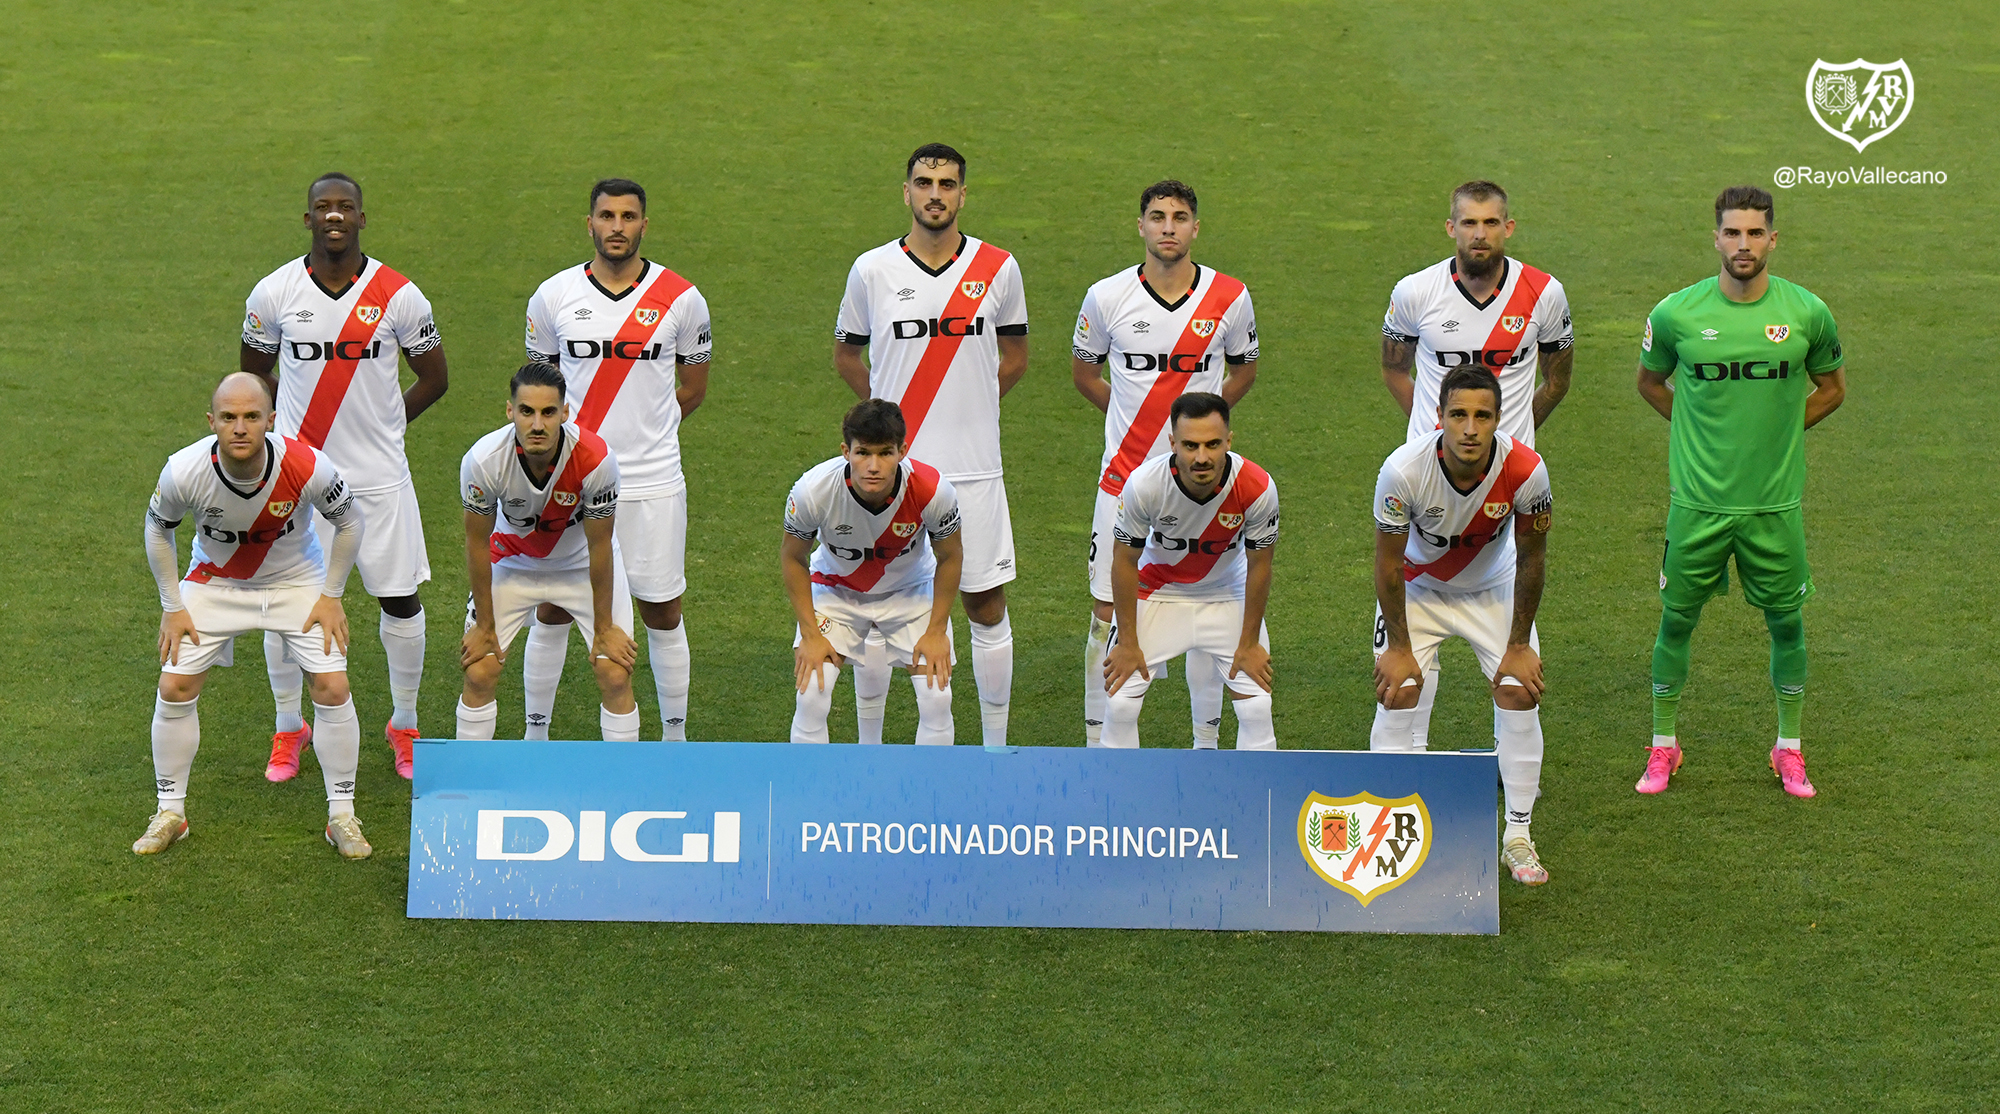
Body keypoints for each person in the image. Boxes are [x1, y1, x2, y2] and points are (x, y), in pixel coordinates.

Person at [1633, 186, 1845, 798]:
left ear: (1772, 239)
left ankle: (1789, 748)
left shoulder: (1807, 313)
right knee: (1676, 623)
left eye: (1755, 233)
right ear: (1716, 238)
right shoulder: (1676, 313)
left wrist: (1778, 433)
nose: (1743, 244)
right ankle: (1664, 747)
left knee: (1787, 625)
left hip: (1774, 506)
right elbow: (1650, 382)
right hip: (1697, 504)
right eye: (1733, 233)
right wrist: (1697, 431)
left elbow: (1831, 388)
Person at [242, 172, 448, 781]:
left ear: (363, 217)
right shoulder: (273, 294)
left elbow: (435, 378)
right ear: (307, 218)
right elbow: (254, 384)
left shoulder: (398, 294)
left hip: (380, 478)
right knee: (287, 606)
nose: (335, 216)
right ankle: (288, 728)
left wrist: (390, 427)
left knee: (400, 598)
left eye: (346, 207)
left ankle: (404, 724)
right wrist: (284, 440)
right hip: (300, 481)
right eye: (322, 207)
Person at [834, 142, 1028, 747]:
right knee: (877, 603)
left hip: (974, 469)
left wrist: (973, 403)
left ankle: (994, 747)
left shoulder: (999, 268)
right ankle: (872, 746)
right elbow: (847, 353)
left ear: (963, 194)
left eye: (947, 184)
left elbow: (1015, 357)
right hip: (895, 476)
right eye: (924, 182)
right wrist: (885, 420)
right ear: (907, 192)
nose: (935, 193)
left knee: (985, 603)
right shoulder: (872, 269)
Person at [135, 373, 372, 858]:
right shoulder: (183, 470)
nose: (239, 428)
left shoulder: (307, 465)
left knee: (333, 686)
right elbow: (158, 530)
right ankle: (170, 813)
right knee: (173, 686)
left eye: (250, 417)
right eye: (228, 418)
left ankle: (342, 818)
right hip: (213, 584)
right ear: (212, 422)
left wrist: (331, 595)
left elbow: (349, 522)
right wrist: (171, 606)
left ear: (270, 420)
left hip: (297, 584)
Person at [1378, 180, 1572, 752]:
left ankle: (1517, 830)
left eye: (1491, 223)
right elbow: (1395, 368)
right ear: (1451, 228)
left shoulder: (1544, 293)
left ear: (1508, 228)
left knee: (1516, 681)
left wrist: (1515, 439)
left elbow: (1557, 379)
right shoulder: (1415, 292)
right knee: (1407, 680)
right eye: (1469, 223)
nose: (1480, 233)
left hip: (1505, 488)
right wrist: (1429, 436)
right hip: (1432, 483)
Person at [520, 178, 712, 741]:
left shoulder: (681, 298)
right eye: (607, 216)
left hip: (652, 483)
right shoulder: (553, 297)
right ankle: (537, 738)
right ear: (590, 223)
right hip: (569, 485)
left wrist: (646, 436)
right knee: (552, 608)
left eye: (629, 217)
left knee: (662, 610)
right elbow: (541, 390)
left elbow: (692, 389)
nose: (617, 227)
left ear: (644, 225)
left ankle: (674, 740)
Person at [1073, 179, 1259, 748]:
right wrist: (1133, 426)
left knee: (1205, 598)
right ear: (1141, 226)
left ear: (1195, 227)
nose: (1169, 227)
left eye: (1180, 217)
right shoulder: (1105, 297)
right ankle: (1096, 739)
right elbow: (1086, 376)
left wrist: (1197, 435)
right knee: (1107, 611)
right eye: (1157, 217)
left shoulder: (1230, 296)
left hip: (1202, 485)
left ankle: (1205, 741)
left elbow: (1244, 371)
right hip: (1123, 479)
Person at [1370, 364, 1554, 885]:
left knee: (1520, 690)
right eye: (1458, 415)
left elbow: (1533, 559)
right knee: (1399, 690)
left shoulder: (1526, 470)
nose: (1470, 428)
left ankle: (1517, 837)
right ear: (1439, 417)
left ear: (1499, 420)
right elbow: (1386, 564)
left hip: (1491, 590)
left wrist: (1519, 642)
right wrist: (1400, 646)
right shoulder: (1403, 470)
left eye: (1482, 416)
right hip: (1417, 590)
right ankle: (1392, 831)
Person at [455, 364, 639, 743]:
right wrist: (485, 627)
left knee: (615, 672)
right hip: (513, 563)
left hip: (581, 566)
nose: (537, 425)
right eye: (527, 412)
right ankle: (470, 785)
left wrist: (605, 629)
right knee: (479, 670)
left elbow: (600, 544)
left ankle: (623, 787)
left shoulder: (596, 460)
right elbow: (476, 543)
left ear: (565, 413)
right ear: (510, 411)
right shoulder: (483, 461)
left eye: (548, 412)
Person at [1101, 393, 1279, 750]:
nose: (1202, 457)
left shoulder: (1257, 488)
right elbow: (1123, 561)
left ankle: (1257, 802)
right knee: (1120, 702)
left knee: (1257, 706)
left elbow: (1260, 566)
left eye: (1213, 444)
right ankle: (1116, 801)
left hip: (1227, 593)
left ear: (1229, 441)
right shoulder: (1144, 485)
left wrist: (1248, 644)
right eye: (1190, 445)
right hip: (1159, 591)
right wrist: (1128, 644)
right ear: (1172, 443)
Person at [782, 400, 963, 745]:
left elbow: (951, 556)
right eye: (863, 453)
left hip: (911, 591)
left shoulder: (933, 491)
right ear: (845, 451)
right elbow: (793, 558)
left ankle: (931, 797)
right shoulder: (813, 491)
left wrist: (937, 630)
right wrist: (810, 634)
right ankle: (806, 797)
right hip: (835, 590)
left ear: (903, 451)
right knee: (811, 696)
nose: (873, 467)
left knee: (937, 697)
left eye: (885, 453)